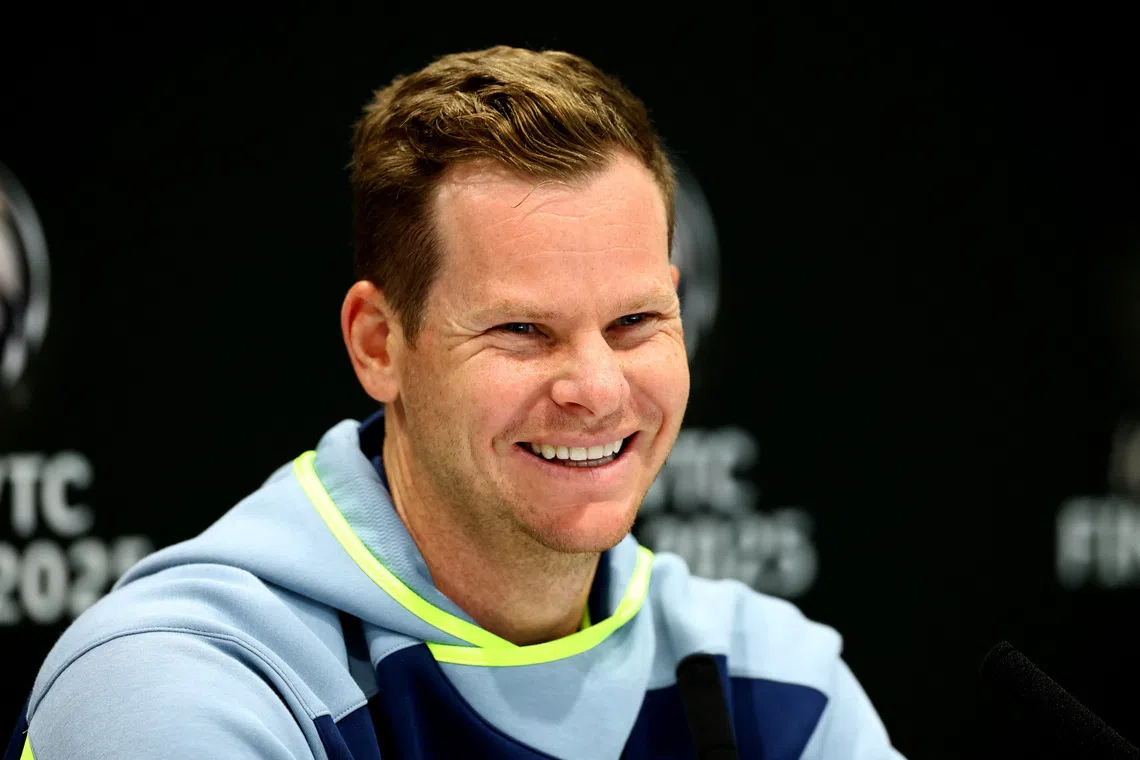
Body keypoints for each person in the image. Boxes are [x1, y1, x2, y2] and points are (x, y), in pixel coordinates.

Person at [6, 46, 904, 759]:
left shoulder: (774, 681)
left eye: (635, 321)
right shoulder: (179, 682)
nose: (596, 388)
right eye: (520, 330)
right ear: (378, 345)